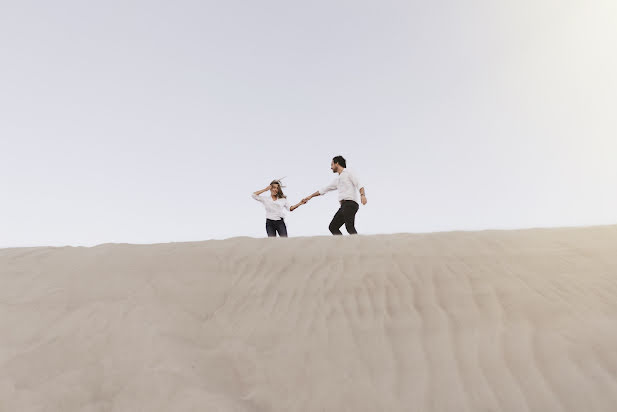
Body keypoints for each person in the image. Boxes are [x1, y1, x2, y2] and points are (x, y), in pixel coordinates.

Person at [302, 155, 367, 235]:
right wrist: (310, 196)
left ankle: (360, 245)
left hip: (350, 204)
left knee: (349, 227)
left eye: (332, 164)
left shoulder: (348, 172)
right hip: (343, 206)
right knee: (333, 227)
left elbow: (359, 184)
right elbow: (324, 189)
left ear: (337, 163)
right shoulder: (337, 180)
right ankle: (342, 245)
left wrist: (362, 195)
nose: (331, 167)